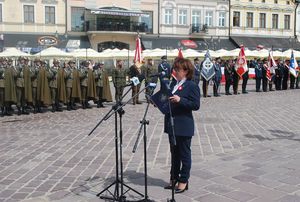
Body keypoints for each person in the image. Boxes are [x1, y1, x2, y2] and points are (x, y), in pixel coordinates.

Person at [163, 58, 200, 194]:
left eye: (177, 70)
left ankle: (184, 181)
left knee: (184, 154)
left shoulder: (192, 85)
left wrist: (181, 100)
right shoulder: (174, 83)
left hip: (184, 125)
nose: (175, 72)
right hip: (172, 124)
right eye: (175, 69)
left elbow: (196, 105)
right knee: (174, 155)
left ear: (186, 71)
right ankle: (173, 179)